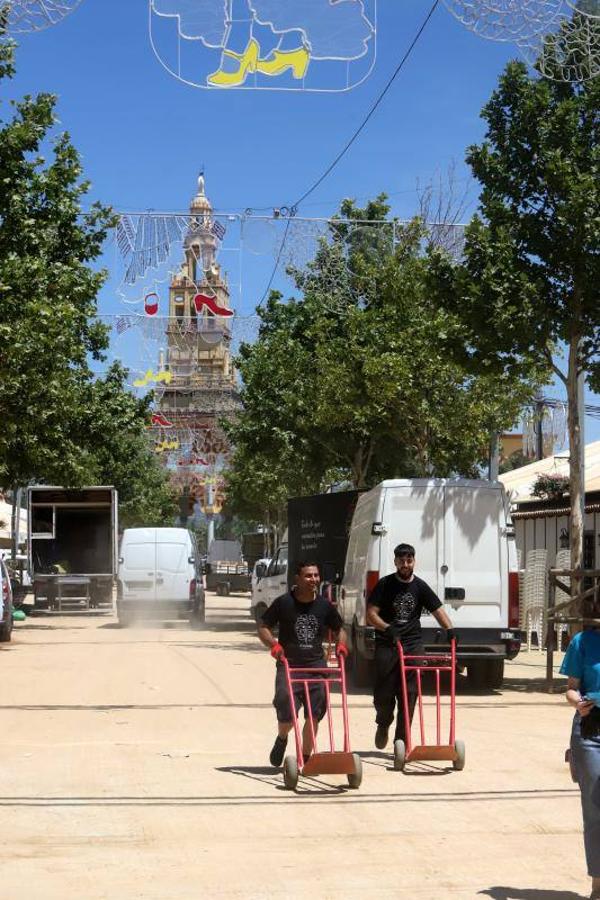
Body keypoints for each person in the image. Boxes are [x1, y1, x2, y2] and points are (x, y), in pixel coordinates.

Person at [366, 542, 456, 750]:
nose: (405, 564)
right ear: (395, 562)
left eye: (409, 560)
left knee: (410, 692)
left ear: (414, 561)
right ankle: (383, 723)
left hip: (412, 643)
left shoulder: (420, 586)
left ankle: (402, 739)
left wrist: (450, 630)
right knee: (384, 694)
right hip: (388, 642)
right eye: (401, 561)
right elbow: (371, 614)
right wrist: (387, 628)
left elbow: (438, 610)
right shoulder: (385, 584)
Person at [258, 560, 347, 768]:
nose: (313, 579)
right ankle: (282, 738)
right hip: (289, 665)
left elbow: (339, 629)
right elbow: (263, 627)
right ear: (297, 579)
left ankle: (305, 759)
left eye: (316, 575)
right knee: (287, 716)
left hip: (316, 666)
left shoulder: (324, 605)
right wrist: (273, 645)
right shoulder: (284, 603)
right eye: (308, 576)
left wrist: (341, 645)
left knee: (314, 715)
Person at [560, 621, 600, 900]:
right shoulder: (582, 641)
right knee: (595, 805)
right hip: (590, 728)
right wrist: (578, 703)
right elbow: (571, 689)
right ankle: (598, 882)